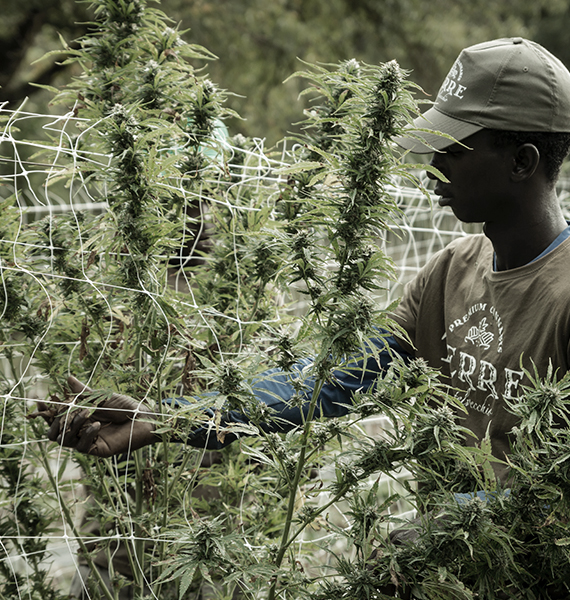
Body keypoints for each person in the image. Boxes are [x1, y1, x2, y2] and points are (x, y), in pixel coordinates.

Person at [38, 37, 570, 594]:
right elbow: (327, 378)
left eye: (454, 150)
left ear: (521, 161)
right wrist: (165, 420)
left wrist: (457, 521)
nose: (433, 166)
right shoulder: (449, 273)